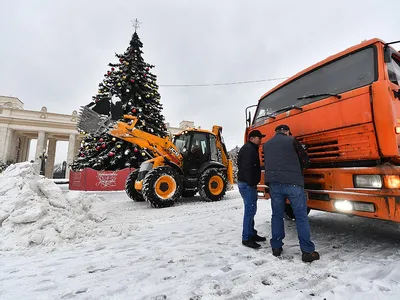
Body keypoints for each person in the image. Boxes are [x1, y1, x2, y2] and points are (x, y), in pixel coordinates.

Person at [263, 124, 320, 263]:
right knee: (301, 217)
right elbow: (305, 161)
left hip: (274, 184)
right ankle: (307, 251)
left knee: (276, 216)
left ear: (276, 132)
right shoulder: (292, 140)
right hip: (293, 183)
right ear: (287, 131)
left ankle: (276, 247)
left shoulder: (267, 145)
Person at [237, 129, 267, 249]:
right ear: (252, 138)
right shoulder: (249, 150)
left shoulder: (250, 148)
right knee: (249, 211)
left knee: (252, 210)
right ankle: (247, 237)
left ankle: (251, 233)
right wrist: (251, 183)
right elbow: (247, 167)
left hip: (247, 183)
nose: (261, 140)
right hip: (247, 184)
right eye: (259, 138)